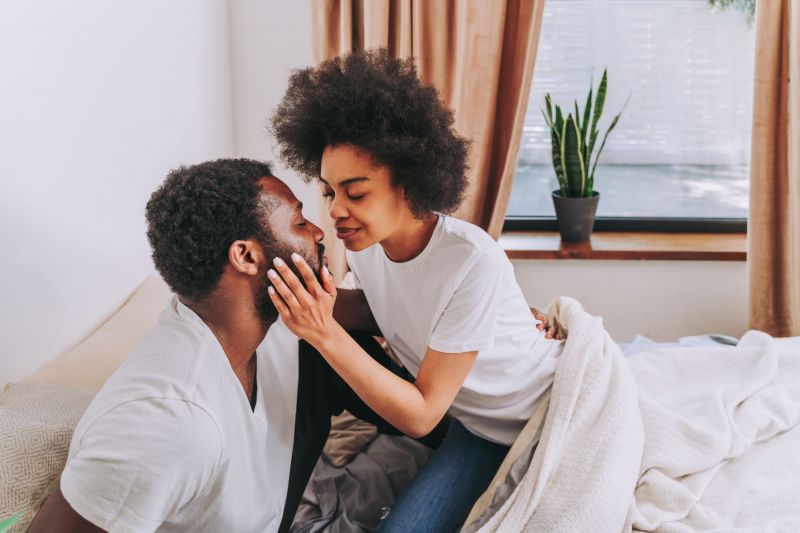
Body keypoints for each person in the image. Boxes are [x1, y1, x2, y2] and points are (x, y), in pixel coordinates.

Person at [29, 158, 444, 533]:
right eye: (300, 222)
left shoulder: (282, 324)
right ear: (246, 256)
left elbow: (394, 319)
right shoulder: (167, 421)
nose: (320, 232)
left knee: (444, 426)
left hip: (295, 495)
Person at [269, 49, 564, 532]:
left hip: (526, 420)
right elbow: (384, 307)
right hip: (471, 422)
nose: (336, 210)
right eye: (329, 192)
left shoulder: (471, 260)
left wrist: (322, 330)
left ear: (407, 183)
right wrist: (295, 296)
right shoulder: (365, 244)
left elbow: (423, 414)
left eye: (355, 192)